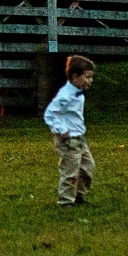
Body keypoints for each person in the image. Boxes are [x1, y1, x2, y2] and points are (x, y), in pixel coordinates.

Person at [43, 55, 96, 206]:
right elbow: (50, 114)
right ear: (75, 76)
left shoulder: (78, 91)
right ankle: (65, 201)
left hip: (80, 138)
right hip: (68, 140)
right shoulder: (65, 95)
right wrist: (61, 129)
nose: (90, 81)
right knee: (70, 172)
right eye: (88, 77)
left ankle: (79, 196)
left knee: (88, 168)